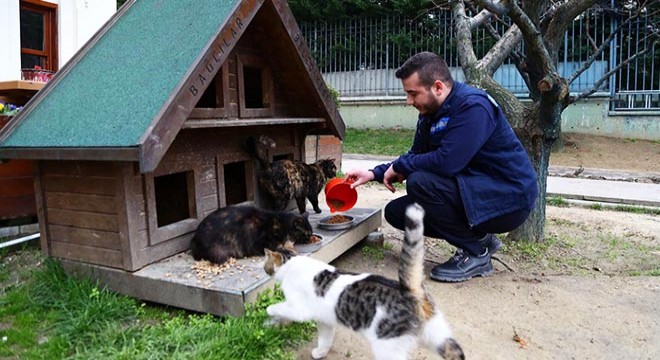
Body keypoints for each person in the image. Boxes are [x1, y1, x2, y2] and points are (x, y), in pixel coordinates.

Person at [345, 51, 538, 282]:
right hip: (474, 191)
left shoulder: (473, 107)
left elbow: (448, 162)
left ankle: (476, 254)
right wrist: (374, 173)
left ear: (437, 87)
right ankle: (480, 239)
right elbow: (417, 155)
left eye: (412, 93)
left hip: (508, 198)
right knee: (399, 213)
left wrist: (402, 165)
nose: (409, 101)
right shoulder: (430, 113)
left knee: (421, 183)